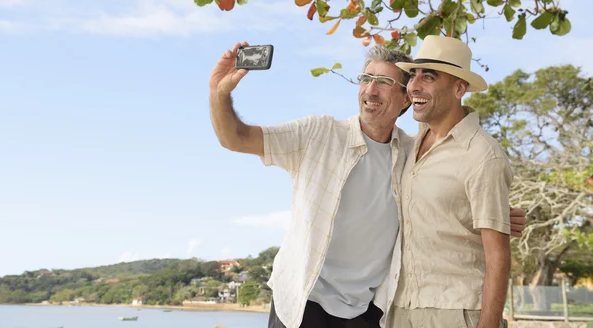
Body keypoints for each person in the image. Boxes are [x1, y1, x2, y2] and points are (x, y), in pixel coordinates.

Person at [208, 41, 525, 328]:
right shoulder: (318, 134)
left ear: (405, 99)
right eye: (366, 79)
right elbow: (234, 138)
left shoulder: (413, 152)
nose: (371, 90)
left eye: (385, 83)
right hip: (305, 305)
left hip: (370, 313)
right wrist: (219, 92)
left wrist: (493, 215)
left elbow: (445, 198)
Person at [390, 35, 513, 328]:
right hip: (399, 308)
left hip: (454, 312)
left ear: (459, 88)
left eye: (428, 77)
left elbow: (499, 255)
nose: (414, 86)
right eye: (413, 75)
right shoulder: (408, 145)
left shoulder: (483, 155)